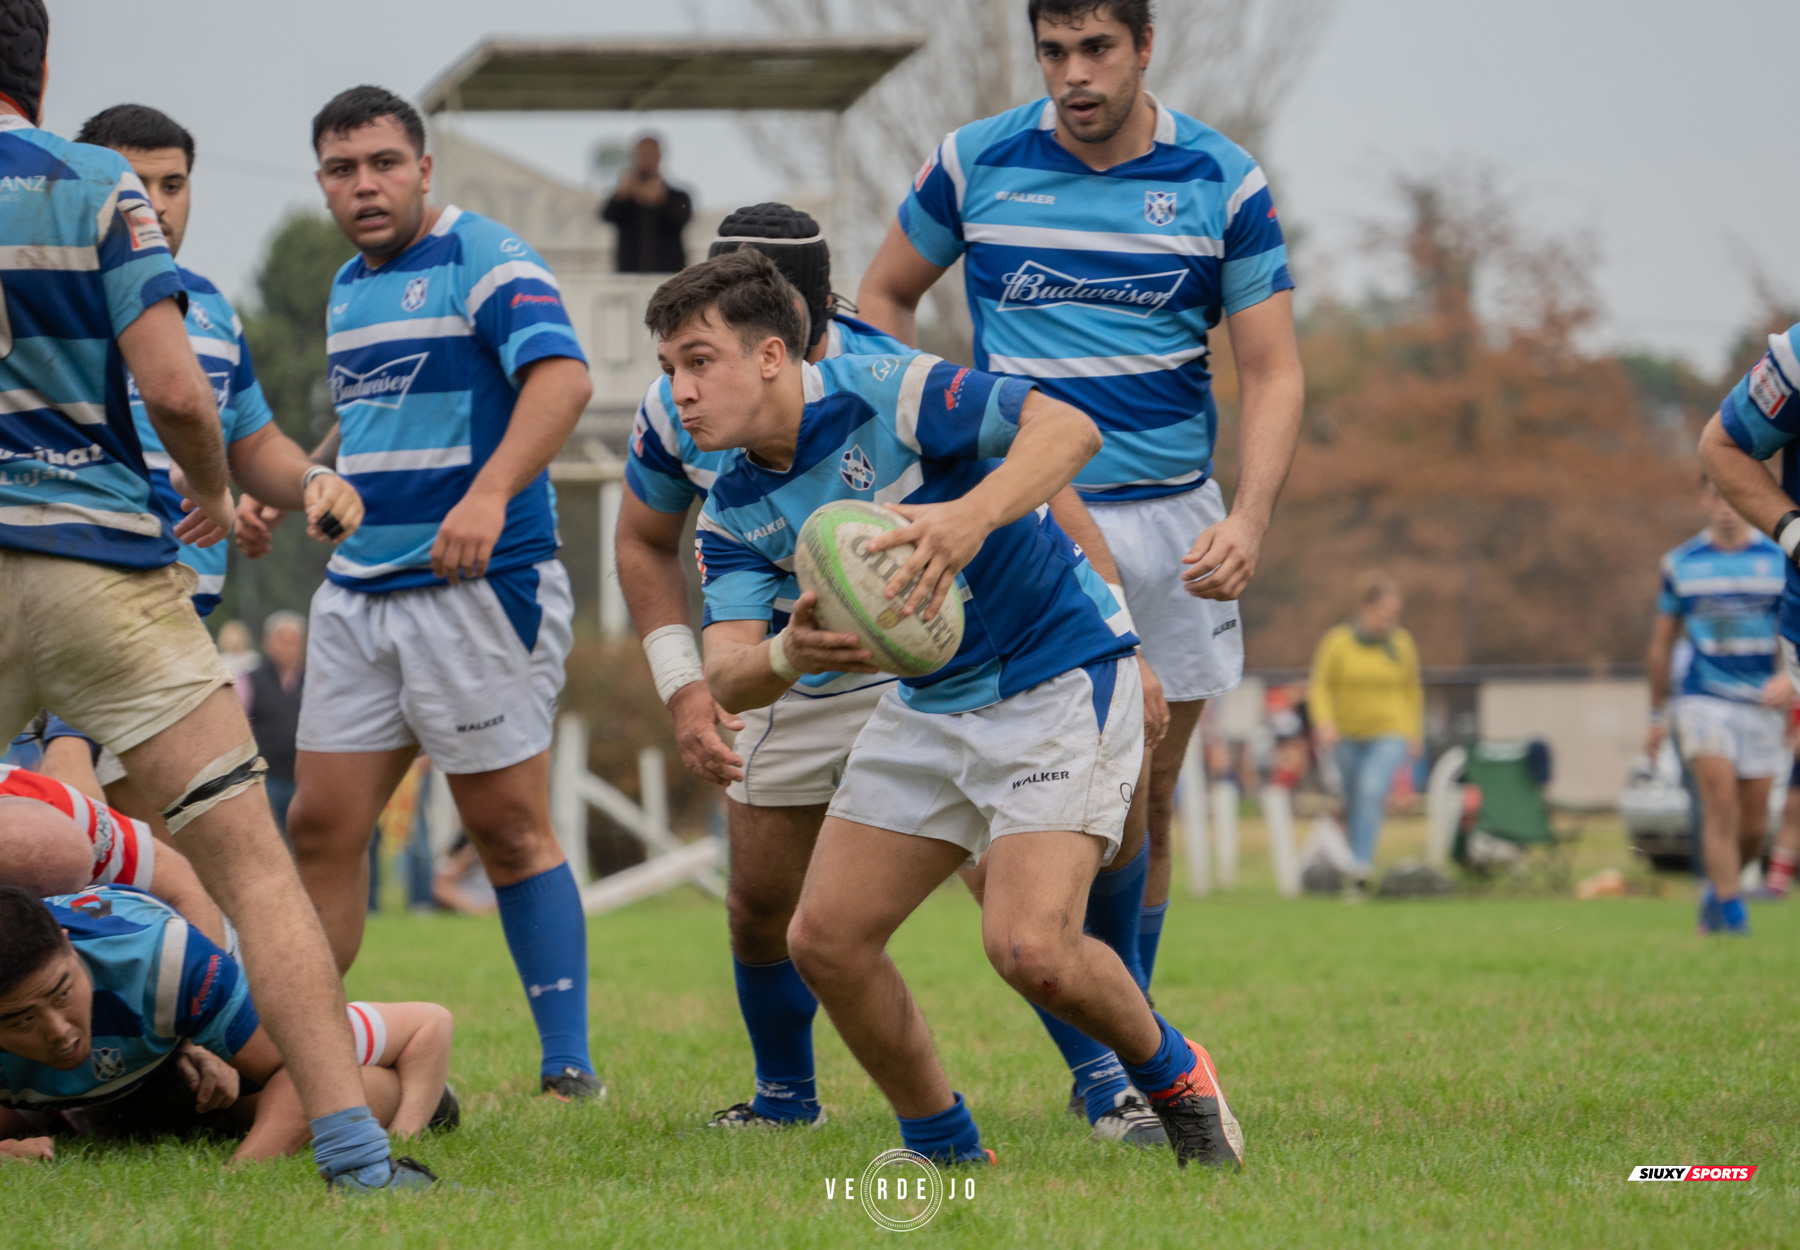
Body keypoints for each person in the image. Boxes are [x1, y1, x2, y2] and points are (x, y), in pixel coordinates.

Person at [652, 248, 1243, 1169]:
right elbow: (726, 673)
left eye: (697, 361)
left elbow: (1069, 431)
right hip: (930, 705)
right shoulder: (731, 508)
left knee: (1029, 947)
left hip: (1057, 677)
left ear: (772, 355)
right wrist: (786, 654)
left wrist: (971, 515)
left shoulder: (887, 390)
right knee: (826, 941)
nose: (680, 393)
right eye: (668, 372)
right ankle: (946, 1147)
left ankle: (1175, 1074)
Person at [0, 7, 423, 1191]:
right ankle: (352, 1151)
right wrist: (199, 484)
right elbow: (181, 395)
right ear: (38, 68)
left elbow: (231, 410)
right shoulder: (88, 187)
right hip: (109, 578)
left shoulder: (207, 288)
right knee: (250, 864)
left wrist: (275, 476)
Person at [856, 0, 1304, 999]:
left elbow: (1272, 369)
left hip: (1175, 521)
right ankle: (1107, 1048)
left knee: (1148, 792)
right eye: (1054, 52)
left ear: (1145, 48)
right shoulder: (974, 162)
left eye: (1097, 49)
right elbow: (880, 297)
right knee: (1038, 799)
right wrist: (932, 426)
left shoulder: (1222, 179)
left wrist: (1249, 518)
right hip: (1026, 516)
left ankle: (1130, 1031)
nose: (1075, 75)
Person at [284, 86, 601, 1102]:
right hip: (359, 590)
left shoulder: (486, 255)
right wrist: (303, 480)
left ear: (425, 168)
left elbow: (563, 381)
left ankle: (567, 1067)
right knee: (322, 826)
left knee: (506, 827)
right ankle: (305, 1056)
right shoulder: (345, 285)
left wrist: (490, 492)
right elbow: (366, 417)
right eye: (342, 168)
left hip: (476, 585)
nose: (363, 185)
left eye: (382, 162)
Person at [0, 885, 456, 1166]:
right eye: (22, 1020)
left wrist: (240, 1174)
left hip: (191, 1030)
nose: (59, 1031)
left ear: (70, 946)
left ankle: (424, 1098)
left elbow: (301, 1072)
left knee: (312, 1087)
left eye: (63, 994)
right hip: (130, 1079)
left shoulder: (164, 957)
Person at [1643, 483, 1785, 934]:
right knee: (1719, 805)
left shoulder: (1779, 558)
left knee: (1753, 827)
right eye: (1717, 498)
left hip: (1761, 704)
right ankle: (1731, 910)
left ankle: (1717, 890)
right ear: (1705, 501)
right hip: (1703, 700)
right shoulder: (1681, 563)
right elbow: (1662, 644)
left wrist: (1788, 679)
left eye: (1734, 498)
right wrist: (1655, 715)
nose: (1726, 508)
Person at [1307, 572, 1423, 888]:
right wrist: (1325, 722)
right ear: (1366, 608)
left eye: (1395, 615)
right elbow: (1320, 686)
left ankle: (1360, 867)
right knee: (1354, 799)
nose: (1391, 620)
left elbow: (1411, 690)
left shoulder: (1401, 644)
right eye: (1386, 613)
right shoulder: (1337, 643)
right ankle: (1347, 863)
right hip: (1345, 735)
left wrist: (1414, 733)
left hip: (1390, 731)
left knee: (1371, 791)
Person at [239, 612, 306, 835]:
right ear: (268, 642)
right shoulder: (249, 680)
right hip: (266, 781)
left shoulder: (312, 682)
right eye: (282, 640)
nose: (288, 647)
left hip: (303, 781)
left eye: (294, 642)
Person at [600, 135, 692, 274]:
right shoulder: (625, 198)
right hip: (629, 275)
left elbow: (681, 217)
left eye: (650, 154)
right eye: (641, 155)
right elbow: (606, 215)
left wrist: (661, 201)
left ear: (659, 156)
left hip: (668, 275)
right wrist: (621, 195)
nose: (645, 160)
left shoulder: (677, 196)